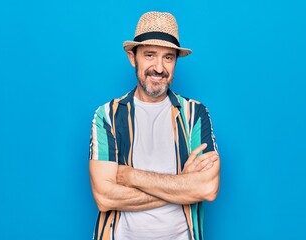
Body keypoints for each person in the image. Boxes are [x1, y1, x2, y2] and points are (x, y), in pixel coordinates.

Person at [89, 11, 220, 240]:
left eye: (168, 58)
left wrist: (130, 176)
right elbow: (105, 198)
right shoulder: (108, 115)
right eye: (150, 55)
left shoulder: (194, 114)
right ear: (133, 57)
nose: (159, 68)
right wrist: (183, 186)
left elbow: (207, 189)